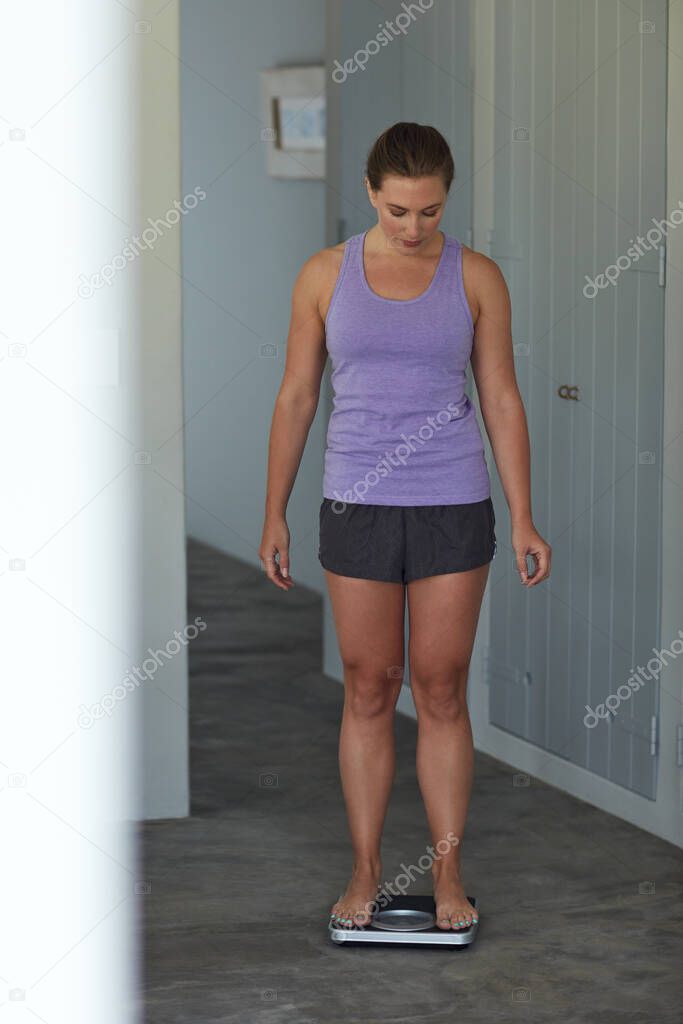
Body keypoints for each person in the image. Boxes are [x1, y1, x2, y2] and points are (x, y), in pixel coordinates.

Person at [259, 122, 551, 932]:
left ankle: (448, 876)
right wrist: (273, 510)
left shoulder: (477, 277)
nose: (413, 228)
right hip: (354, 500)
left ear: (446, 199)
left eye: (428, 212)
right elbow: (295, 396)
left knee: (441, 689)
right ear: (369, 193)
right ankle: (365, 871)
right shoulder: (324, 275)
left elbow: (500, 397)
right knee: (367, 685)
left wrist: (522, 516)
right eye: (397, 212)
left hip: (452, 501)